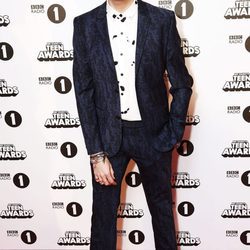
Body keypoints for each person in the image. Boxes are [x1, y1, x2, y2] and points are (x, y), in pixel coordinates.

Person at [72, 0, 193, 249]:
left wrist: (172, 133)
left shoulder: (162, 20)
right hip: (107, 140)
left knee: (162, 217)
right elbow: (84, 92)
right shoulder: (84, 25)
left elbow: (181, 84)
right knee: (103, 222)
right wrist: (96, 154)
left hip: (154, 136)